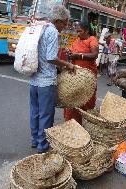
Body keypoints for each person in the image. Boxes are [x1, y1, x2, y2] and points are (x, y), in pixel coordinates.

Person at [29, 5, 75, 153]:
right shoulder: (53, 32)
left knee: (35, 112)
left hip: (34, 80)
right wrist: (67, 64)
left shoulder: (41, 28)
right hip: (46, 82)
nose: (66, 26)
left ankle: (35, 140)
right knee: (46, 115)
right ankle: (43, 146)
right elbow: (50, 58)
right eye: (65, 22)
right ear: (57, 21)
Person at [64, 21, 99, 124]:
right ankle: (72, 123)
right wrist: (69, 53)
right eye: (77, 31)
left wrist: (79, 55)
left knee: (86, 101)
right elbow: (71, 52)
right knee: (73, 100)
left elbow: (94, 55)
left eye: (80, 31)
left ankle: (85, 124)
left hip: (88, 76)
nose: (78, 33)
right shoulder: (77, 40)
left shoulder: (92, 39)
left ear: (87, 31)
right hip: (76, 76)